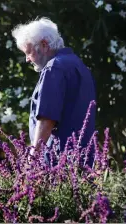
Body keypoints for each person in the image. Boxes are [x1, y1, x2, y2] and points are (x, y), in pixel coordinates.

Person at [11, 17, 96, 166]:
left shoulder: (54, 68)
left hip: (58, 163)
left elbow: (47, 119)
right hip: (83, 160)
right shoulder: (78, 64)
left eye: (29, 52)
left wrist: (32, 159)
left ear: (44, 45)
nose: (27, 60)